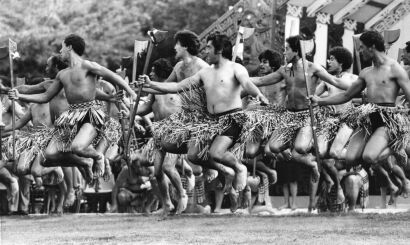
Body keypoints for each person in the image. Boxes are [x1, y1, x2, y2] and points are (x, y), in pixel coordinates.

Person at [139, 33, 269, 200]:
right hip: (210, 121)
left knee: (215, 154)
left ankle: (239, 168)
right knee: (192, 155)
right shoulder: (205, 72)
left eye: (209, 47)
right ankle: (226, 171)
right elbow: (177, 86)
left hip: (232, 118)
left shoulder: (236, 68)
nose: (205, 50)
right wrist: (150, 84)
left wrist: (258, 95)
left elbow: (247, 83)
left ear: (220, 49)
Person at [9, 34, 137, 182]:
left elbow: (115, 77)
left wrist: (132, 92)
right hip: (70, 117)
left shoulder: (87, 65)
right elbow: (45, 97)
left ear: (69, 47)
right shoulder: (62, 74)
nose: (60, 51)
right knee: (48, 156)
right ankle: (85, 162)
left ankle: (97, 156)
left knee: (77, 147)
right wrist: (20, 96)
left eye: (61, 47)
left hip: (90, 114)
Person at [312, 30, 410, 196]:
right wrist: (319, 101)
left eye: (362, 48)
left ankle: (396, 145)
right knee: (350, 159)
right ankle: (391, 185)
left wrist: (404, 113)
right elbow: (346, 95)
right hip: (368, 119)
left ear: (372, 47)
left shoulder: (395, 69)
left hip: (387, 121)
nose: (360, 51)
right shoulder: (365, 72)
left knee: (369, 157)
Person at [135, 31, 209, 215]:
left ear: (185, 46)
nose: (174, 48)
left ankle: (184, 192)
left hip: (195, 120)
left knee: (169, 166)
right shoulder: (178, 67)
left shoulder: (203, 67)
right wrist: (148, 85)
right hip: (176, 122)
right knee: (157, 170)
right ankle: (167, 204)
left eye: (177, 44)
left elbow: (214, 88)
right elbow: (166, 87)